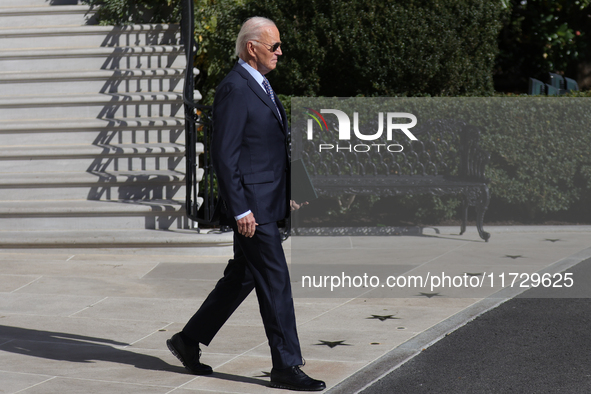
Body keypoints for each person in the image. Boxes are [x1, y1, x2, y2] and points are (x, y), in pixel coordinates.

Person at [167, 16, 325, 392]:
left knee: (244, 276)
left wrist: (289, 188)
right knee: (275, 280)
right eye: (274, 46)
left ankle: (188, 341)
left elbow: (267, 149)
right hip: (252, 208)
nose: (280, 52)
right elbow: (226, 156)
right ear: (251, 47)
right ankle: (286, 365)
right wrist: (240, 209)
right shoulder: (236, 89)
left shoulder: (260, 84)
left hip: (265, 200)